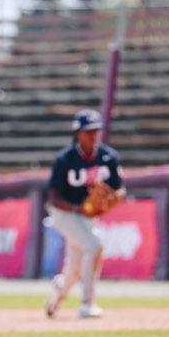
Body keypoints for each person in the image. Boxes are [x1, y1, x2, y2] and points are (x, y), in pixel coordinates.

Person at [44, 109, 125, 319]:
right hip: (64, 213)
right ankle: (87, 304)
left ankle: (57, 297)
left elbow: (119, 189)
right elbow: (53, 198)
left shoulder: (108, 157)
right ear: (78, 133)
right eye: (88, 131)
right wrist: (77, 209)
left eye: (96, 130)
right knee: (94, 245)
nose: (93, 135)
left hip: (87, 216)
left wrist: (115, 197)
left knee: (75, 267)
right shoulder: (65, 159)